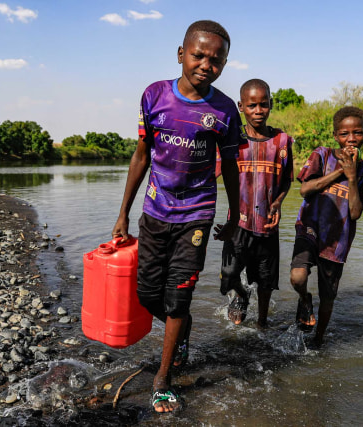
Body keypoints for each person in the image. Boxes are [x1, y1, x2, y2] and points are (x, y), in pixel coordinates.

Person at [111, 20, 241, 413]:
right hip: (154, 209)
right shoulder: (154, 96)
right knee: (148, 293)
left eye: (216, 60)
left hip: (197, 213)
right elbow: (141, 156)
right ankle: (179, 329)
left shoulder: (223, 110)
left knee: (178, 296)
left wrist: (235, 214)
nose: (206, 65)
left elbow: (231, 167)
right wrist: (123, 214)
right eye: (199, 55)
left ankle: (163, 379)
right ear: (181, 53)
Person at [290, 106, 363, 346]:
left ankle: (318, 341)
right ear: (335, 135)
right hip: (310, 227)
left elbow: (355, 213)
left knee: (328, 297)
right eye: (344, 134)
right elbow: (305, 190)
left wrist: (351, 177)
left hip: (337, 241)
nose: (351, 139)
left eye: (358, 133)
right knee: (298, 277)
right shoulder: (322, 155)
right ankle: (305, 299)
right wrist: (340, 170)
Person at [218, 79, 294, 328]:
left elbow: (285, 181)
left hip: (267, 224)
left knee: (266, 280)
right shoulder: (232, 141)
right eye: (252, 106)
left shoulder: (282, 142)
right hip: (237, 224)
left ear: (271, 104)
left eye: (263, 104)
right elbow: (210, 174)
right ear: (241, 106)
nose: (258, 111)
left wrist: (279, 203)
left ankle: (262, 323)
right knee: (228, 276)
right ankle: (240, 294)